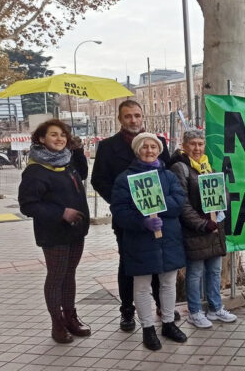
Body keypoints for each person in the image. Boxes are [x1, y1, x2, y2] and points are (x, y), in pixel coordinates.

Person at [91, 100, 176, 332]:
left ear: (143, 116)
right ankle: (127, 311)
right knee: (130, 265)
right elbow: (98, 179)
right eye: (128, 116)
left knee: (160, 260)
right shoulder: (108, 146)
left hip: (158, 216)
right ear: (120, 119)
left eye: (137, 115)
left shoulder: (158, 142)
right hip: (129, 219)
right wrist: (123, 202)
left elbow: (168, 172)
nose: (133, 120)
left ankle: (162, 305)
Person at [110, 133, 187, 350]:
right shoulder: (124, 179)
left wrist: (158, 206)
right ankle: (147, 328)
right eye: (144, 147)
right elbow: (119, 211)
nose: (149, 150)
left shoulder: (169, 176)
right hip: (140, 241)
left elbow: (179, 200)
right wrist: (141, 221)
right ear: (137, 150)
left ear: (159, 149)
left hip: (168, 238)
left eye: (154, 146)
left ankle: (169, 323)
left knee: (168, 283)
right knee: (142, 286)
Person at [18, 119, 91, 343]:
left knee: (70, 275)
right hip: (54, 233)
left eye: (62, 135)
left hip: (76, 229)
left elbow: (83, 174)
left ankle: (71, 316)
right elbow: (28, 204)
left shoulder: (66, 161)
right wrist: (60, 213)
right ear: (41, 139)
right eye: (53, 135)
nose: (59, 139)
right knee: (57, 276)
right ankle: (57, 323)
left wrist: (77, 151)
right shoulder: (35, 170)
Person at [169, 130, 237, 328]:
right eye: (192, 144)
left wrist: (222, 208)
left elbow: (221, 194)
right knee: (195, 272)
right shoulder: (180, 168)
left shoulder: (208, 166)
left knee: (215, 271)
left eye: (200, 144)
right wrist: (201, 223)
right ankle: (195, 311)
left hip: (215, 228)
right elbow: (183, 204)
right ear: (184, 144)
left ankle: (215, 308)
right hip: (196, 231)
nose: (197, 148)